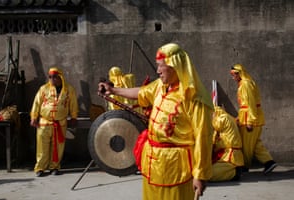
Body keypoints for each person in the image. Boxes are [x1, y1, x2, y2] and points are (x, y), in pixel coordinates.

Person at [98, 43, 214, 199]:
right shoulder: (160, 86)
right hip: (152, 163)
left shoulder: (194, 97)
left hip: (177, 167)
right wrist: (113, 91)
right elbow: (141, 93)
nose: (157, 71)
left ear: (174, 67)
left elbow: (203, 138)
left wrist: (200, 174)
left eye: (161, 66)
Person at [30, 67, 78, 177]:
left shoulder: (69, 90)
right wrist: (33, 117)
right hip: (44, 122)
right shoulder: (43, 89)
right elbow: (37, 103)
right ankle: (40, 168)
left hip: (60, 123)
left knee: (58, 147)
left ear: (60, 77)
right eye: (50, 77)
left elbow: (73, 104)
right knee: (42, 146)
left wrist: (74, 117)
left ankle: (54, 167)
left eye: (54, 77)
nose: (52, 79)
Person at [230, 64, 277, 174]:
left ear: (239, 74)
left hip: (250, 119)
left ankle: (244, 167)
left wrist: (250, 121)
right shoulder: (246, 83)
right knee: (255, 143)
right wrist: (239, 118)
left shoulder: (245, 84)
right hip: (249, 117)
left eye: (233, 74)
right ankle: (269, 162)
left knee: (246, 145)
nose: (232, 77)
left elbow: (250, 103)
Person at [210, 106, 244, 182]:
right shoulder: (226, 118)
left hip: (231, 157)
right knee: (206, 171)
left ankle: (235, 172)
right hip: (226, 154)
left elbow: (211, 125)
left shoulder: (223, 118)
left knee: (208, 173)